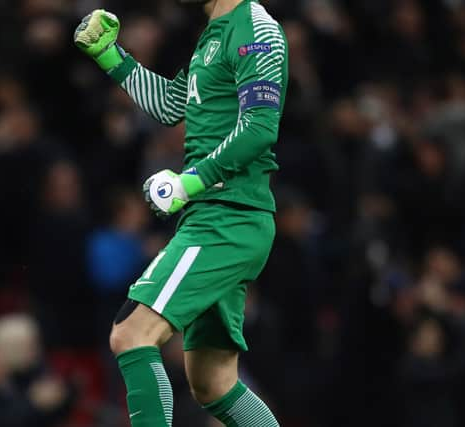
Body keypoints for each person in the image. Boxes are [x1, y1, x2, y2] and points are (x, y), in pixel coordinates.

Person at [74, 1, 288, 425]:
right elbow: (173, 106)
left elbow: (260, 127)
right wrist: (110, 55)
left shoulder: (256, 28)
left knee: (131, 334)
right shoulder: (214, 30)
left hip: (227, 217)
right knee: (214, 384)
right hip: (219, 215)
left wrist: (191, 181)